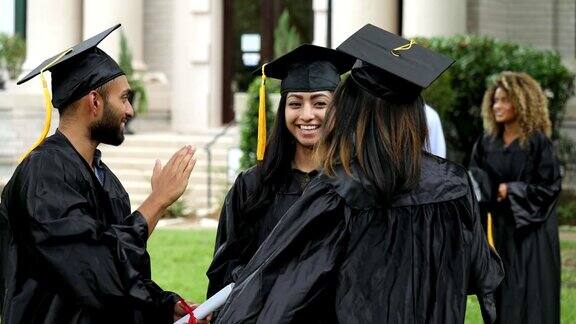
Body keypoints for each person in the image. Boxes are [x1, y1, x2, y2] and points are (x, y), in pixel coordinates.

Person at [214, 24, 504, 324]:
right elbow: (481, 273)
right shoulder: (455, 183)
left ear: (356, 113)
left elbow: (287, 292)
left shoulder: (337, 191)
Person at [0, 24, 197, 323]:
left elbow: (121, 276)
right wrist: (156, 202)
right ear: (94, 101)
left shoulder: (108, 183)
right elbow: (93, 269)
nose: (130, 110)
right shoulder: (43, 174)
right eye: (124, 98)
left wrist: (163, 304)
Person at [206, 44, 354, 299]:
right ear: (283, 110)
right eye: (295, 103)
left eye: (320, 103)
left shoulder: (353, 186)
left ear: (338, 110)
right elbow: (226, 266)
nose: (307, 115)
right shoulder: (253, 185)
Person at [469, 71, 562, 324]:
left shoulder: (537, 143)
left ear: (522, 103)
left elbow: (550, 187)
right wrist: (486, 190)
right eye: (495, 101)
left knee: (533, 294)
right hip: (500, 228)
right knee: (504, 291)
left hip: (532, 232)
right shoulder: (486, 143)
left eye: (505, 100)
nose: (498, 106)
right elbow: (475, 179)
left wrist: (513, 190)